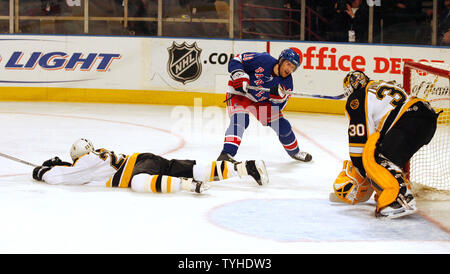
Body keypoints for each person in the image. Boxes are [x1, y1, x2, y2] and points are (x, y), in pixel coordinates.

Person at [332, 71, 440, 218]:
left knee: (374, 158)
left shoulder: (357, 97)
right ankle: (398, 185)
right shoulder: (379, 86)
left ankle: (399, 199)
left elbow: (360, 142)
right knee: (386, 156)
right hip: (424, 118)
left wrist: (363, 173)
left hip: (410, 120)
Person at [32, 138, 269, 194]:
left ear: (78, 156)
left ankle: (188, 186)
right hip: (147, 159)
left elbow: (65, 178)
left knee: (137, 182)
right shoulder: (96, 156)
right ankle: (247, 167)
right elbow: (78, 172)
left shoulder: (87, 161)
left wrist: (43, 172)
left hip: (139, 167)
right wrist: (60, 164)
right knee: (191, 166)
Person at [217, 48, 312, 163]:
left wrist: (277, 99)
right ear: (281, 60)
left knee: (283, 125)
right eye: (288, 64)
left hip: (261, 101)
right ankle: (226, 154)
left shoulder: (287, 85)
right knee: (240, 120)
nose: (289, 69)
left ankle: (295, 152)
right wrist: (239, 74)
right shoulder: (263, 59)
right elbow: (236, 60)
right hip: (240, 93)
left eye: (293, 67)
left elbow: (279, 108)